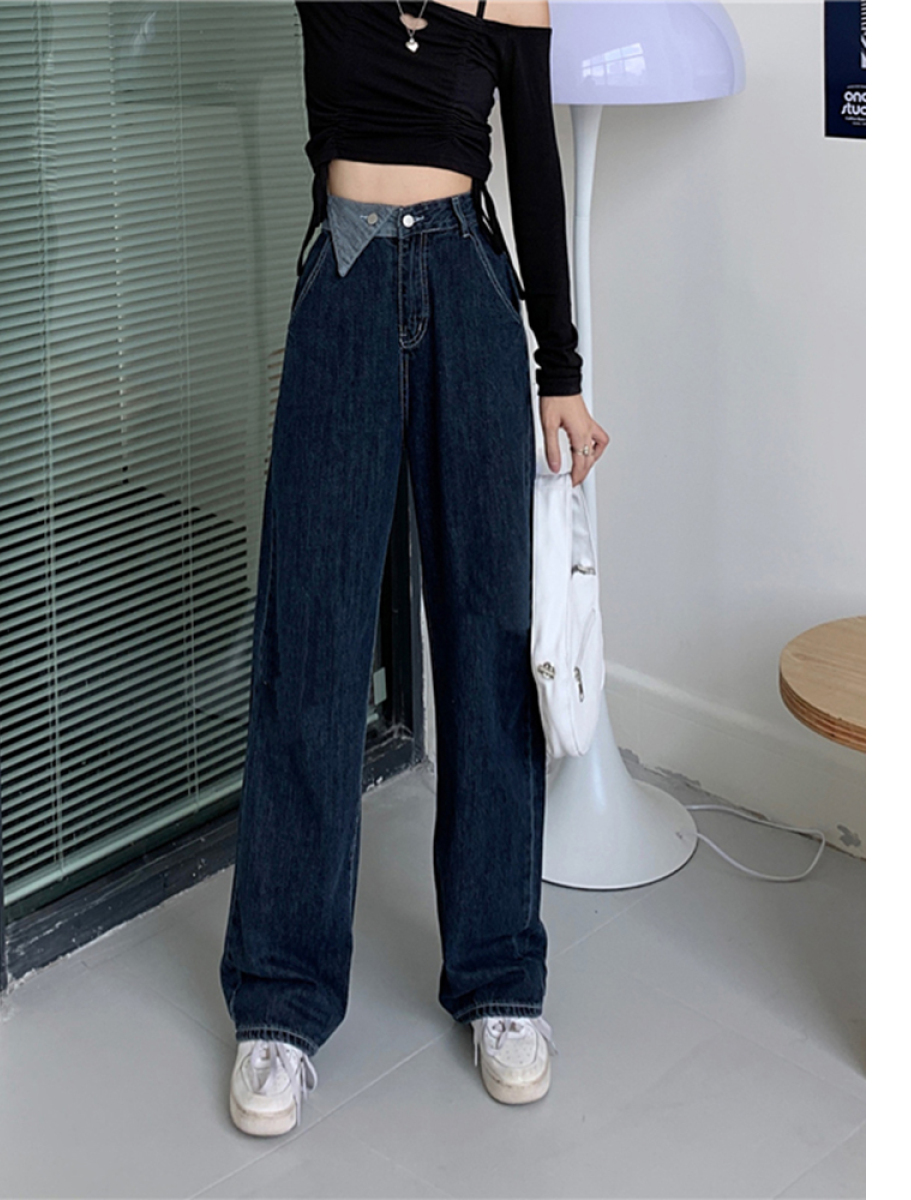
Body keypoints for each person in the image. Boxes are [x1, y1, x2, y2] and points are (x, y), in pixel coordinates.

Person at [219, 0, 609, 1138]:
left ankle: (501, 980)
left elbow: (534, 174)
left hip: (469, 292)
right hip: (343, 288)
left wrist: (561, 371)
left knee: (489, 646)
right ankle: (281, 1003)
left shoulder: (514, 0)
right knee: (311, 648)